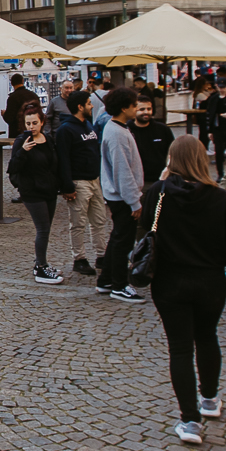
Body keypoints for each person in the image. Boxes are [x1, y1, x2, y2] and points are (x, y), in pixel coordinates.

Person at [140, 136, 226, 446]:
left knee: (180, 347)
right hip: (210, 281)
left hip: (169, 281)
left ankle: (190, 420)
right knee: (207, 337)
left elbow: (144, 234)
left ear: (171, 160)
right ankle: (209, 399)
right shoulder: (220, 198)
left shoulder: (158, 193)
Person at [6, 103, 71, 285]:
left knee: (46, 228)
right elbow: (12, 168)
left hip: (49, 190)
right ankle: (41, 267)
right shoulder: (22, 141)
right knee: (42, 229)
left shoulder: (48, 139)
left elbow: (54, 163)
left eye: (34, 123)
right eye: (28, 124)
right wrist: (23, 152)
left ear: (42, 122)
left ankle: (40, 263)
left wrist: (60, 185)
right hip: (32, 192)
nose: (31, 127)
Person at [95, 88, 146, 302]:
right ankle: (119, 284)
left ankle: (106, 280)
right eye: (135, 105)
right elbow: (122, 171)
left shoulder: (118, 129)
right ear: (124, 108)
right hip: (121, 197)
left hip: (120, 195)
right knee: (123, 242)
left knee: (118, 238)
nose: (137, 109)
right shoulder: (116, 132)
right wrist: (134, 201)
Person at [53, 91, 107, 278]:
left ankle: (101, 255)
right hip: (79, 182)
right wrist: (67, 186)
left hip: (94, 180)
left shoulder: (88, 125)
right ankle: (80, 259)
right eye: (89, 103)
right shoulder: (65, 130)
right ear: (80, 107)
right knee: (78, 223)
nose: (92, 106)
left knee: (99, 220)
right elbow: (63, 159)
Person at [132, 95, 175, 186]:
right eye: (142, 109)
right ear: (134, 110)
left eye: (149, 109)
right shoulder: (127, 130)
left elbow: (172, 152)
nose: (146, 112)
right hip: (137, 182)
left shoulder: (162, 129)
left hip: (161, 180)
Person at [3, 73, 37, 139]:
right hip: (33, 131)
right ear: (23, 81)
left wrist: (4, 114)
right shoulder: (33, 95)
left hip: (17, 133)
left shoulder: (12, 98)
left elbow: (9, 118)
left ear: (12, 83)